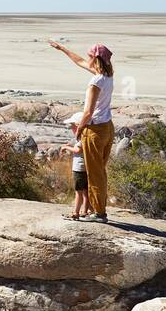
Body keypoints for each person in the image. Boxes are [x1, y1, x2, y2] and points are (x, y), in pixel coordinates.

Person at [47, 39, 115, 222]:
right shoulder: (108, 75)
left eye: (90, 56)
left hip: (95, 129)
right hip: (108, 127)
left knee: (94, 173)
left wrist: (80, 130)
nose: (87, 59)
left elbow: (88, 112)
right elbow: (79, 62)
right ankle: (95, 209)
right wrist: (62, 49)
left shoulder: (96, 82)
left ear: (95, 59)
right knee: (99, 170)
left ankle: (98, 213)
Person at [58, 111, 92, 220]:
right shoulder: (88, 136)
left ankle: (76, 213)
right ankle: (85, 211)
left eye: (72, 126)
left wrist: (66, 147)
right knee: (86, 192)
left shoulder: (82, 137)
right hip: (86, 168)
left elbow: (77, 150)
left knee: (78, 192)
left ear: (78, 126)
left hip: (79, 169)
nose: (72, 129)